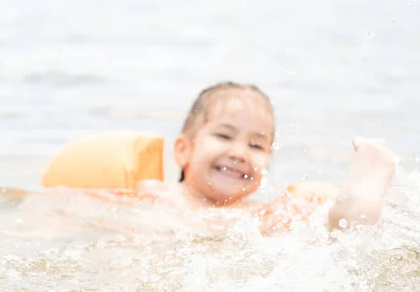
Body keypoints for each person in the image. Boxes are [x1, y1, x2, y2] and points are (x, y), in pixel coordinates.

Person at [138, 81, 396, 236]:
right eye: (225, 136)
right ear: (183, 149)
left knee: (318, 225)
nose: (239, 153)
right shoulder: (157, 197)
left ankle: (352, 208)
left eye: (256, 145)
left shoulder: (260, 214)